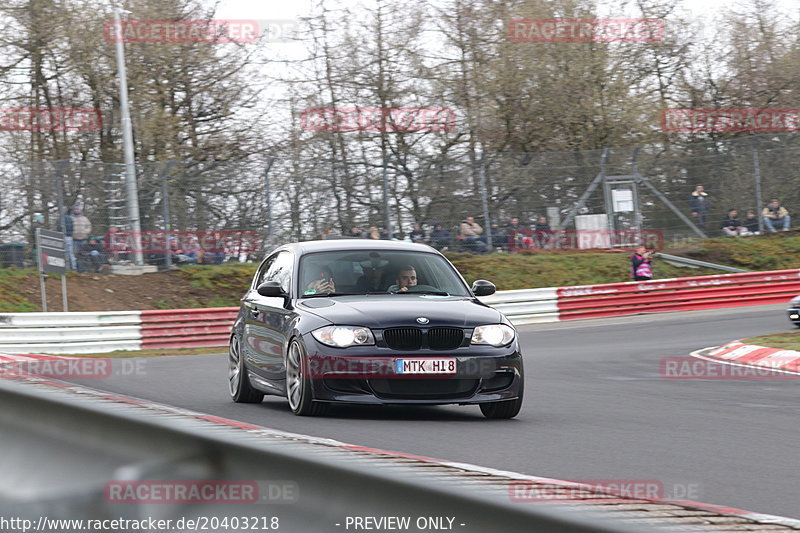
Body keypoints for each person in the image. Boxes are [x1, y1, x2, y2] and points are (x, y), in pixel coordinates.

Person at [70, 204, 92, 272]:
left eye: (78, 209)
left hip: (83, 239)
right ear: (73, 210)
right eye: (75, 209)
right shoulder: (71, 218)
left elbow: (89, 227)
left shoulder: (84, 218)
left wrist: (86, 232)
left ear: (80, 210)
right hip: (74, 240)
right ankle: (75, 269)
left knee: (83, 254)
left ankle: (83, 269)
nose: (76, 210)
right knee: (74, 255)